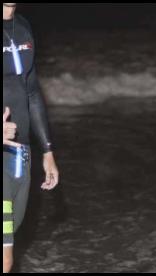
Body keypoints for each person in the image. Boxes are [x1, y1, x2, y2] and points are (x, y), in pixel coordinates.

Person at [3, 3, 60, 273]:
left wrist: (47, 150)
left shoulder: (23, 27)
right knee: (4, 259)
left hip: (20, 156)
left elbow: (32, 92)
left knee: (10, 241)